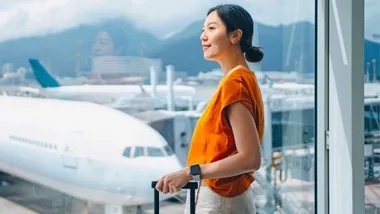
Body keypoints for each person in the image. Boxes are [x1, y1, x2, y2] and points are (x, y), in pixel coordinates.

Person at [155, 4, 265, 214]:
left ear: (235, 35)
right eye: (203, 30)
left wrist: (189, 173)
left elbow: (250, 157)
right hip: (224, 198)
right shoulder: (243, 79)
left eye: (212, 29)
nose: (203, 36)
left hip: (220, 200)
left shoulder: (235, 83)